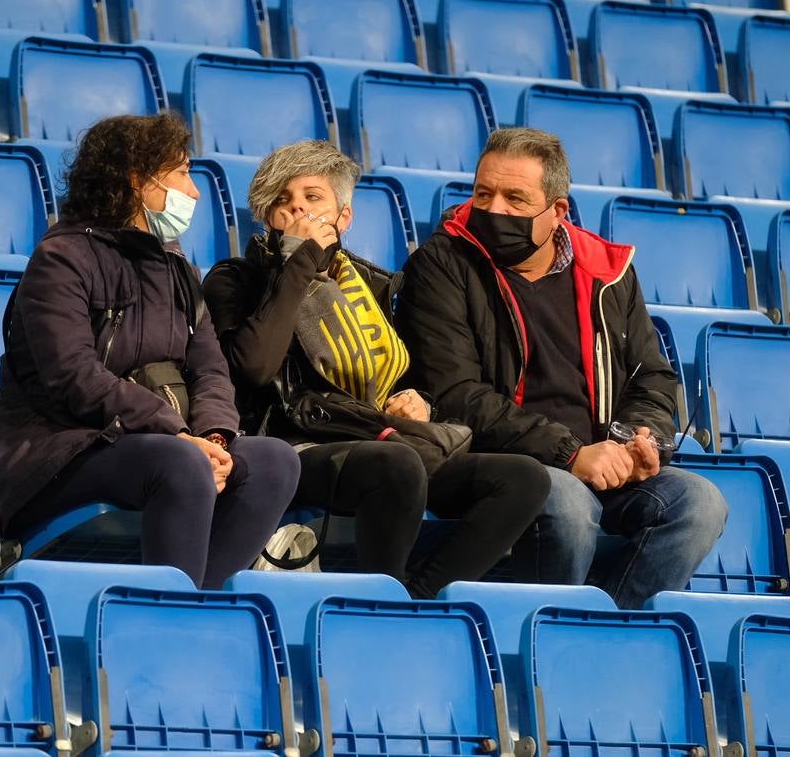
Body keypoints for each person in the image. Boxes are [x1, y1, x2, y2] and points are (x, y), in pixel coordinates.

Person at [202, 139, 551, 598]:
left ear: (343, 216)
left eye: (312, 198)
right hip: (292, 444)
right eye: (282, 202)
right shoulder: (235, 279)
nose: (298, 212)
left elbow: (402, 372)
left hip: (377, 433)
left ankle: (414, 599)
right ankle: (380, 603)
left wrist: (417, 400)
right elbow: (253, 369)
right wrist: (297, 266)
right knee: (396, 463)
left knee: (524, 478)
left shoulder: (371, 284)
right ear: (268, 218)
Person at [395, 127, 726, 608]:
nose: (494, 210)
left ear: (557, 211)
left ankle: (604, 634)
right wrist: (572, 453)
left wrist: (636, 443)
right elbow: (456, 393)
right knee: (567, 504)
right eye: (483, 193)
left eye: (515, 198)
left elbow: (651, 378)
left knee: (699, 504)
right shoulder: (441, 264)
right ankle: (550, 631)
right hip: (501, 464)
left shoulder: (606, 271)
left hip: (596, 457)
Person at [0, 113, 300, 589]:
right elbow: (76, 378)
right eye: (181, 173)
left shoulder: (178, 269)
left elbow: (211, 369)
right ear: (137, 180)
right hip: (61, 448)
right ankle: (170, 614)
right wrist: (176, 432)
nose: (193, 192)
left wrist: (214, 436)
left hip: (162, 443)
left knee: (274, 460)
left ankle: (196, 607)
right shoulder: (61, 260)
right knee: (179, 463)